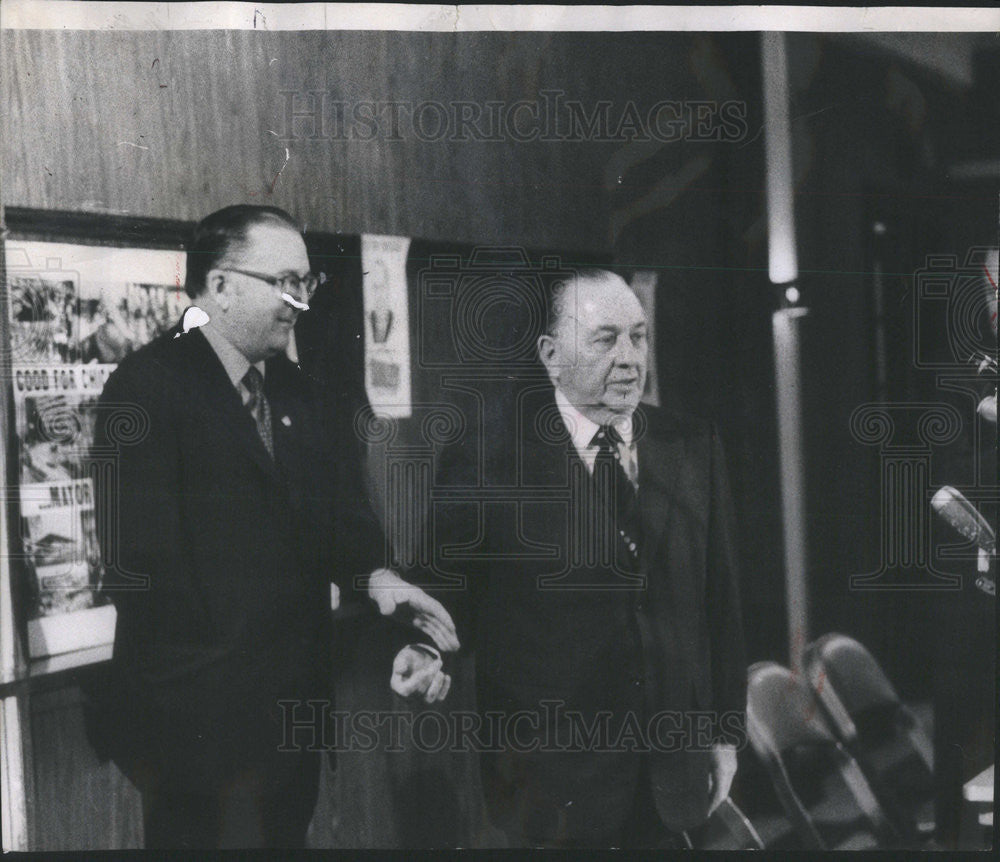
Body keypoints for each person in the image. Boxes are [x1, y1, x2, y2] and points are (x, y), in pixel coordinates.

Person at [90, 205, 456, 849]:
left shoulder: (303, 393)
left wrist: (379, 583)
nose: (301, 301)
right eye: (284, 281)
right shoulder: (145, 389)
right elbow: (140, 573)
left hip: (291, 738)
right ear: (221, 285)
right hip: (195, 746)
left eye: (308, 283)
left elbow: (344, 527)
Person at [412, 269, 746, 848]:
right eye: (604, 339)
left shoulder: (693, 445)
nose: (629, 358)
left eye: (638, 338)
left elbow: (722, 601)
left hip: (672, 767)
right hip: (550, 777)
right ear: (550, 355)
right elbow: (440, 585)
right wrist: (421, 646)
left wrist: (724, 732)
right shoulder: (491, 458)